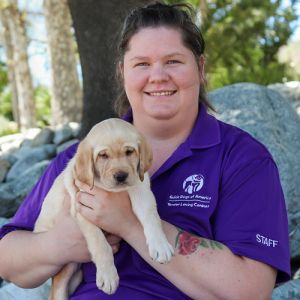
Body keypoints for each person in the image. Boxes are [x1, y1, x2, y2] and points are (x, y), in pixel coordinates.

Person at [0, 1, 291, 299]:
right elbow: (6, 261)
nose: (158, 76)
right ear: (123, 73)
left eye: (174, 61)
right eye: (142, 64)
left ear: (200, 68)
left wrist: (129, 223)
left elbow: (251, 291)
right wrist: (57, 244)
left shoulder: (242, 158)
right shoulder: (81, 157)